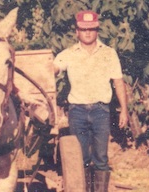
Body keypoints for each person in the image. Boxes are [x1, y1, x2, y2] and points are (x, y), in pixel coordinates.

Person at [53, 10, 129, 192]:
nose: (88, 33)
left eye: (92, 29)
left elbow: (118, 82)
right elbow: (52, 68)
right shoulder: (68, 54)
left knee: (101, 158)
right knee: (82, 158)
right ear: (77, 31)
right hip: (77, 111)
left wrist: (124, 110)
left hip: (100, 111)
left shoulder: (109, 54)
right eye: (83, 29)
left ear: (97, 30)